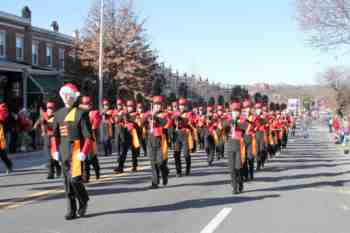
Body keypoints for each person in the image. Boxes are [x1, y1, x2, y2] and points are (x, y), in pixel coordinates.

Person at [51, 83, 92, 220]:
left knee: (75, 180)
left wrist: (84, 152)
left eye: (69, 95)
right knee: (67, 183)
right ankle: (71, 210)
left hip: (76, 152)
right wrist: (55, 150)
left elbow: (88, 137)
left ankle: (84, 199)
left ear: (74, 97)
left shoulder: (81, 114)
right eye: (64, 94)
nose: (66, 97)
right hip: (63, 152)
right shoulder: (58, 114)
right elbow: (54, 136)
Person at [147, 95, 171, 189]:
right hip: (151, 139)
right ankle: (155, 182)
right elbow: (141, 122)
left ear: (162, 105)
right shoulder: (149, 113)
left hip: (161, 139)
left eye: (159, 105)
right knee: (153, 162)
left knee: (161, 162)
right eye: (156, 105)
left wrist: (157, 119)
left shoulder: (165, 114)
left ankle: (165, 172)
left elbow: (167, 123)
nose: (157, 106)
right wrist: (148, 117)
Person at [0, 102, 13, 174]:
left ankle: (9, 165)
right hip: (4, 135)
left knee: (2, 153)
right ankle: (9, 165)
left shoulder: (5, 115)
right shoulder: (8, 114)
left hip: (2, 136)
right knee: (2, 153)